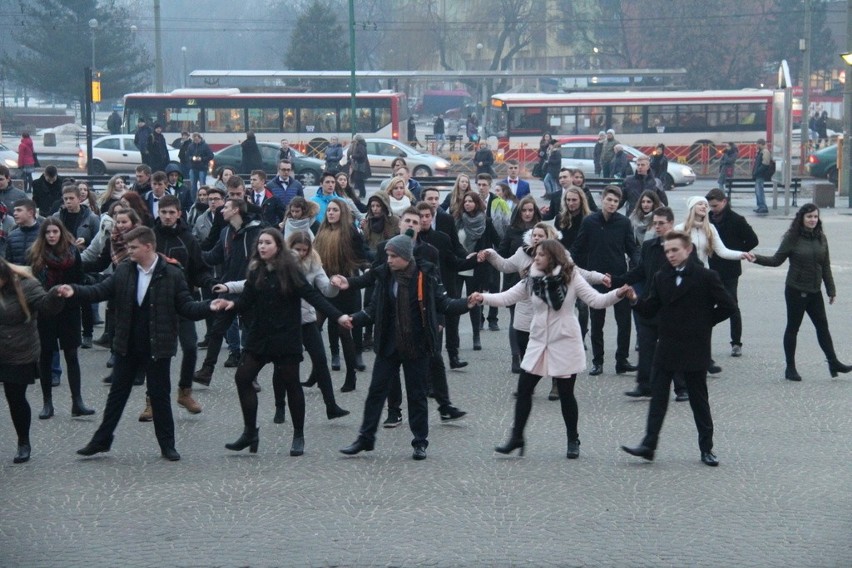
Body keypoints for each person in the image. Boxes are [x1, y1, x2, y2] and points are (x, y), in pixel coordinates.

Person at [59, 227, 230, 461]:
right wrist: (74, 291)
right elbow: (99, 291)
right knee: (117, 396)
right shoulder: (124, 271)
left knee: (159, 397)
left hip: (157, 345)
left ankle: (167, 446)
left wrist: (209, 306)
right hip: (126, 345)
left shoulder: (172, 274)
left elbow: (186, 307)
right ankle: (101, 441)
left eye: (133, 247)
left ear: (148, 247)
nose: (128, 251)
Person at [473, 240, 632, 459]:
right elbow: (507, 296)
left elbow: (596, 300)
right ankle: (516, 437)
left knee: (566, 394)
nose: (535, 258)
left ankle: (573, 439)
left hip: (565, 340)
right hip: (539, 340)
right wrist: (483, 298)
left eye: (540, 255)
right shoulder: (531, 279)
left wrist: (617, 294)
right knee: (524, 389)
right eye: (535, 254)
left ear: (553, 257)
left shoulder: (571, 276)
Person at [215, 229, 352, 457]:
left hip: (285, 336)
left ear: (278, 246)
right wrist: (231, 305)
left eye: (267, 243)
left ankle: (298, 435)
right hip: (260, 335)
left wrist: (338, 316)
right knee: (242, 378)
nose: (262, 246)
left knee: (292, 384)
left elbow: (314, 296)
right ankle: (250, 432)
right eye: (260, 243)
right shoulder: (256, 269)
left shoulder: (290, 271)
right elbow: (246, 300)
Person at [339, 234, 473, 461]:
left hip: (417, 345)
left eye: (393, 256)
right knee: (375, 393)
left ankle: (420, 442)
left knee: (417, 395)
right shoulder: (384, 276)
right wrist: (354, 319)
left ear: (405, 257)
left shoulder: (425, 276)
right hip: (388, 344)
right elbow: (373, 309)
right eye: (388, 255)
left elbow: (444, 303)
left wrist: (467, 303)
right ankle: (365, 438)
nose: (388, 260)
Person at [621, 230, 736, 467]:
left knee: (699, 401)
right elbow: (650, 308)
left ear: (688, 250)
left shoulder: (706, 276)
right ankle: (648, 446)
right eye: (667, 251)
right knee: (658, 399)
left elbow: (728, 306)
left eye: (674, 250)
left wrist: (705, 322)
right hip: (668, 346)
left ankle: (707, 448)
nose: (670, 255)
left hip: (695, 346)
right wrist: (634, 299)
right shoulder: (662, 276)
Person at [746, 204, 852, 381]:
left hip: (814, 290)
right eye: (809, 217)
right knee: (793, 328)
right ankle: (790, 368)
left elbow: (825, 265)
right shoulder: (792, 238)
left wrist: (831, 289)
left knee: (823, 328)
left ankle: (833, 362)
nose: (812, 220)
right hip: (796, 290)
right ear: (802, 218)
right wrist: (756, 258)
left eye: (815, 217)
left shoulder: (821, 238)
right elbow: (776, 260)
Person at [612, 207, 688, 401]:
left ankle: (682, 388)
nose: (657, 227)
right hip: (649, 304)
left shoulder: (681, 247)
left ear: (671, 223)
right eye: (655, 223)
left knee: (672, 348)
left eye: (661, 223)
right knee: (646, 346)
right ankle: (644, 385)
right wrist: (616, 280)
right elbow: (640, 271)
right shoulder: (649, 246)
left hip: (672, 306)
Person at [28, 218, 94, 419]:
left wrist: (76, 298)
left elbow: (80, 278)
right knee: (46, 356)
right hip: (46, 309)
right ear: (43, 235)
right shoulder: (37, 254)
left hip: (69, 309)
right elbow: (32, 282)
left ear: (61, 232)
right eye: (48, 232)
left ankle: (77, 401)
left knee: (72, 356)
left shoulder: (73, 253)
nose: (51, 235)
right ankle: (47, 403)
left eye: (55, 231)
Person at [0, 257, 64, 463]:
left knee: (15, 397)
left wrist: (55, 294)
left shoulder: (26, 285)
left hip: (18, 349)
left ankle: (23, 442)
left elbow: (46, 306)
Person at [194, 198, 263, 385]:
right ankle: (206, 371)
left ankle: (252, 376)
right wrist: (193, 254)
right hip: (228, 288)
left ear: (236, 211)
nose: (222, 210)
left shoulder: (256, 232)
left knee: (250, 334)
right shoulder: (225, 233)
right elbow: (214, 256)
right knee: (217, 331)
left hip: (249, 290)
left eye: (226, 207)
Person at [571, 185, 638, 376]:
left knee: (624, 321)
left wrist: (637, 265)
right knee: (597, 320)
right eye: (609, 200)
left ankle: (622, 360)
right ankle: (597, 361)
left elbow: (632, 248)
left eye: (616, 201)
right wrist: (567, 263)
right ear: (602, 200)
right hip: (596, 278)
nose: (612, 204)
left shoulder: (624, 222)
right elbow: (578, 246)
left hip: (619, 277)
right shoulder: (590, 221)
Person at [313, 198, 368, 391]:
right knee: (314, 328)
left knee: (345, 333)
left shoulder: (350, 232)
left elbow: (361, 255)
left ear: (342, 212)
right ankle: (316, 372)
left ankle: (350, 377)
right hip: (325, 286)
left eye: (335, 210)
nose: (331, 213)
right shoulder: (321, 230)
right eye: (329, 210)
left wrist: (368, 268)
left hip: (346, 287)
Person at [705, 188, 758, 358]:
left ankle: (736, 342)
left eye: (715, 205)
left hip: (730, 269)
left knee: (732, 305)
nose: (713, 209)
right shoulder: (707, 219)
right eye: (710, 206)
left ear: (724, 202)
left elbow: (753, 240)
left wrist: (737, 252)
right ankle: (704, 341)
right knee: (706, 305)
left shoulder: (736, 219)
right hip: (711, 268)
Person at [455, 192, 500, 350]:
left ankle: (476, 335)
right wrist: (463, 255)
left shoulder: (486, 221)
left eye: (471, 201)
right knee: (454, 301)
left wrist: (487, 254)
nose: (467, 204)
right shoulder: (457, 220)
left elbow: (498, 242)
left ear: (477, 203)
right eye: (465, 201)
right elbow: (452, 242)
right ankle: (454, 337)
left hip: (476, 267)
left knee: (474, 300)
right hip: (458, 265)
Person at [187, 133, 213, 198]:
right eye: (194, 139)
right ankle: (193, 200)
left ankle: (204, 199)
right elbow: (187, 156)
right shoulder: (190, 146)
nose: (195, 140)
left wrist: (202, 159)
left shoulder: (205, 146)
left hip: (202, 168)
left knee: (202, 186)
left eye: (196, 139)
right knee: (193, 186)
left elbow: (211, 155)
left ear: (200, 138)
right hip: (193, 168)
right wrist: (192, 158)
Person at [751, 138, 771, 215]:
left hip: (760, 175)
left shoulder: (765, 152)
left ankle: (762, 206)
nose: (756, 146)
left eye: (757, 144)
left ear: (761, 144)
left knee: (759, 191)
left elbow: (765, 164)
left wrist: (757, 171)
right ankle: (760, 206)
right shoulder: (761, 152)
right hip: (759, 175)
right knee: (758, 191)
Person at [349, 135, 371, 199]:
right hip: (360, 165)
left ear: (357, 140)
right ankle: (362, 193)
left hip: (360, 166)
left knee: (359, 180)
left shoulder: (360, 146)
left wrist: (353, 156)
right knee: (359, 180)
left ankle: (362, 194)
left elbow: (361, 155)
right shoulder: (361, 145)